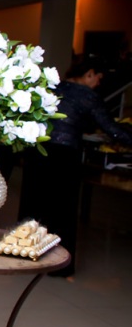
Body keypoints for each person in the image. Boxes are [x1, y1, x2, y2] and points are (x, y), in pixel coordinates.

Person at [19, 57, 132, 279]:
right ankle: (58, 266)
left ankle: (23, 255)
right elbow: (111, 128)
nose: (98, 83)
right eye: (98, 78)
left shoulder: (53, 87)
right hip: (64, 155)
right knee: (63, 209)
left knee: (34, 203)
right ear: (89, 73)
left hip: (38, 151)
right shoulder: (87, 95)